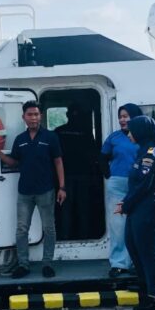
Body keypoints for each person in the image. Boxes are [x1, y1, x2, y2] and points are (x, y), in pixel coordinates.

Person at [0, 101, 66, 279]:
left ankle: (47, 263)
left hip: (46, 190)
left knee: (49, 228)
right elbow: (15, 162)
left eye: (36, 114)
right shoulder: (20, 140)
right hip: (24, 191)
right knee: (22, 229)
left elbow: (58, 162)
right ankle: (23, 265)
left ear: (41, 116)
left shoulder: (50, 137)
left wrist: (62, 187)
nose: (33, 118)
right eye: (30, 114)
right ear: (23, 117)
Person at [115, 116, 155, 310]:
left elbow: (144, 185)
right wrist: (127, 202)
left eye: (131, 131)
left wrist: (126, 204)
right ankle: (144, 288)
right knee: (133, 246)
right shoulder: (142, 151)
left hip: (147, 207)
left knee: (146, 252)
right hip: (137, 206)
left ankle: (153, 296)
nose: (129, 135)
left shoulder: (152, 153)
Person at [100, 103, 141, 277]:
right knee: (118, 225)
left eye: (126, 116)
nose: (123, 119)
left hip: (139, 185)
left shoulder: (144, 137)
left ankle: (138, 262)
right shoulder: (113, 138)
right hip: (118, 185)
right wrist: (109, 175)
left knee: (139, 224)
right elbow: (103, 157)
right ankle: (119, 263)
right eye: (121, 116)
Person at [55, 102, 98, 241]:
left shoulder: (59, 131)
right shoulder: (86, 132)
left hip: (70, 177)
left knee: (68, 209)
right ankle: (83, 236)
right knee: (81, 209)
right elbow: (93, 155)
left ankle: (66, 236)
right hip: (74, 176)